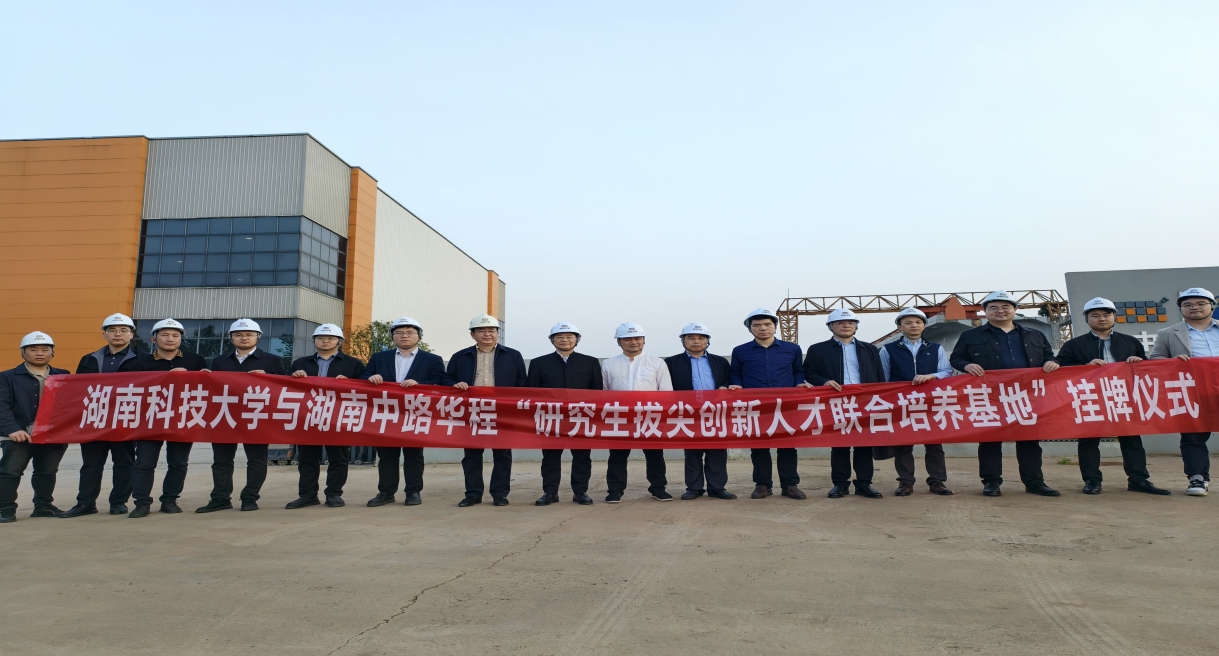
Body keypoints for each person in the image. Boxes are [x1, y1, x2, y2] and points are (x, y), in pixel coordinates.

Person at [949, 290, 1061, 497]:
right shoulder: (970, 336)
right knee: (990, 439)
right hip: (990, 395)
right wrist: (967, 365)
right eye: (993, 308)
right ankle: (991, 482)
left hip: (1026, 395)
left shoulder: (1034, 334)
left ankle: (1034, 482)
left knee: (1029, 439)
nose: (1000, 311)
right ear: (985, 312)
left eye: (1005, 307)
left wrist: (1051, 362)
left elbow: (1049, 356)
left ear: (1015, 310)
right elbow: (956, 358)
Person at [1053, 298, 1169, 496]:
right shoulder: (1074, 345)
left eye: (1106, 314)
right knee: (1089, 441)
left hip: (1123, 397)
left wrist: (1138, 361)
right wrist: (1084, 368)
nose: (1102, 318)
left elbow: (1146, 369)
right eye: (1095, 315)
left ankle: (1138, 479)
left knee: (1132, 439)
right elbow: (1059, 370)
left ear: (1114, 316)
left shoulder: (1130, 342)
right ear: (1087, 319)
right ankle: (1092, 480)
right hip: (1090, 397)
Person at [196, 319, 287, 513]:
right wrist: (203, 377)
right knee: (221, 459)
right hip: (225, 415)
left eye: (249, 334)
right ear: (231, 338)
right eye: (238, 335)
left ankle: (250, 497)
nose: (244, 338)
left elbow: (284, 387)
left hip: (257, 415)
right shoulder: (220, 361)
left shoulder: (272, 360)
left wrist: (269, 377)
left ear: (258, 337)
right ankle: (220, 498)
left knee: (256, 460)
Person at [61, 313, 142, 518]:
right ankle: (85, 503)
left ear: (131, 334)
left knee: (124, 463)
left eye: (123, 330)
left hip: (124, 418)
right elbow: (77, 389)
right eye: (112, 330)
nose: (118, 334)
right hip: (94, 418)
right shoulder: (89, 359)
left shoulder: (142, 359)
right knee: (91, 464)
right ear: (104, 334)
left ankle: (118, 502)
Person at [363, 316, 448, 507]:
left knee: (414, 455)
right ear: (392, 336)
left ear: (419, 336)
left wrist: (420, 384)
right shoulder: (379, 358)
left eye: (410, 332)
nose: (404, 336)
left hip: (415, 413)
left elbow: (440, 382)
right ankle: (386, 492)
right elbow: (363, 377)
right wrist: (371, 378)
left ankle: (413, 492)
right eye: (399, 333)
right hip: (387, 413)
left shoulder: (432, 359)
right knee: (386, 456)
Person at [728, 309, 813, 500]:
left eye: (767, 324)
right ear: (750, 329)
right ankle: (762, 485)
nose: (763, 328)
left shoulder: (792, 349)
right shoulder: (740, 351)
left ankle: (790, 485)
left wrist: (799, 383)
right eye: (757, 325)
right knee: (759, 447)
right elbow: (736, 373)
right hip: (755, 407)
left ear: (775, 326)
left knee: (787, 446)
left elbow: (798, 371)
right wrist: (737, 384)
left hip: (786, 406)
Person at [129, 319, 209, 517]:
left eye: (175, 335)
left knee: (178, 463)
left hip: (182, 417)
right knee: (144, 463)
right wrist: (168, 376)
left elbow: (204, 390)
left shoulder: (195, 360)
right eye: (164, 335)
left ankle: (170, 500)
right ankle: (142, 503)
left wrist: (205, 376)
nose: (170, 339)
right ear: (153, 339)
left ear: (181, 339)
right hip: (150, 419)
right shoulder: (139, 363)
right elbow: (133, 390)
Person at [804, 309, 886, 499]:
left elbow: (879, 376)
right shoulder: (818, 349)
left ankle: (864, 484)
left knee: (864, 444)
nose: (846, 325)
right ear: (830, 326)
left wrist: (880, 399)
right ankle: (840, 484)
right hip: (835, 402)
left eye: (850, 322)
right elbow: (808, 372)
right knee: (839, 444)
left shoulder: (869, 349)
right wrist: (824, 381)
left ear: (856, 326)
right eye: (840, 323)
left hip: (864, 402)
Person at [448, 314, 526, 507]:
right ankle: (473, 494)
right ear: (472, 334)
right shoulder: (460, 356)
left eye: (491, 330)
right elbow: (446, 379)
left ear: (497, 333)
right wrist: (455, 384)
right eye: (481, 331)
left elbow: (522, 383)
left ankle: (500, 494)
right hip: (471, 411)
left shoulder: (513, 355)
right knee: (472, 455)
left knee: (503, 454)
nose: (487, 334)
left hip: (502, 412)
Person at [286, 324, 366, 509]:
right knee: (307, 458)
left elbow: (365, 388)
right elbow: (284, 387)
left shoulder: (353, 364)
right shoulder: (301, 363)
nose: (325, 341)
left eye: (330, 338)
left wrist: (351, 383)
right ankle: (307, 495)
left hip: (337, 417)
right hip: (308, 416)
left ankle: (334, 494)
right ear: (314, 341)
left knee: (338, 458)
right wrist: (293, 377)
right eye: (320, 338)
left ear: (339, 341)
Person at [878, 308, 955, 496]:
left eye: (918, 322)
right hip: (901, 403)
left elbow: (946, 372)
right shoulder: (888, 349)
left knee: (934, 443)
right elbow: (883, 377)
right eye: (908, 323)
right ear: (900, 327)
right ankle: (905, 482)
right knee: (904, 443)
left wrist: (931, 376)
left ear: (924, 325)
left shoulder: (935, 348)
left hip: (930, 401)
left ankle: (937, 481)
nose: (914, 326)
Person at [1150, 287, 1219, 496]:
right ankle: (1198, 478)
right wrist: (1172, 362)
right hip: (1193, 391)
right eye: (1187, 304)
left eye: (1200, 303)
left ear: (1212, 306)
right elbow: (1155, 360)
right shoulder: (1167, 333)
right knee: (1193, 437)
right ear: (1180, 308)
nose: (1194, 307)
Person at [529, 322, 603, 506]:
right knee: (550, 457)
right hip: (551, 417)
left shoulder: (590, 362)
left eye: (569, 336)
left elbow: (597, 392)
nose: (564, 340)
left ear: (576, 340)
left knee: (582, 457)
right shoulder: (539, 363)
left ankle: (580, 492)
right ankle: (550, 492)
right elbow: (532, 393)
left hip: (581, 417)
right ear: (552, 340)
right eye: (559, 337)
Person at [0, 332, 69, 523]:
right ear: (23, 352)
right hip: (18, 434)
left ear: (52, 353)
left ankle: (43, 506)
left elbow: (70, 405)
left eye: (45, 349)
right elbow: (2, 406)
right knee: (10, 471)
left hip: (52, 435)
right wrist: (12, 429)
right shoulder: (7, 377)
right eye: (34, 349)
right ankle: (5, 508)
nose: (39, 353)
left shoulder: (63, 375)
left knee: (47, 471)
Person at [601, 322, 674, 502]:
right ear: (619, 342)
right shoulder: (608, 364)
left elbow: (666, 392)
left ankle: (658, 488)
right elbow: (603, 393)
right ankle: (615, 490)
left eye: (637, 338)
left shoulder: (657, 363)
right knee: (617, 455)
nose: (633, 342)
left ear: (643, 340)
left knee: (655, 455)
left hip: (650, 416)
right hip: (620, 417)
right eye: (627, 339)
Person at [664, 323, 735, 500]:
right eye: (691, 338)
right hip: (688, 412)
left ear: (707, 341)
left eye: (701, 338)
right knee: (692, 451)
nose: (696, 341)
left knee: (717, 450)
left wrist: (725, 387)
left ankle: (717, 487)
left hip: (715, 412)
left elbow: (729, 380)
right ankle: (694, 488)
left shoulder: (720, 362)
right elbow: (666, 388)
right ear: (683, 341)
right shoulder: (671, 362)